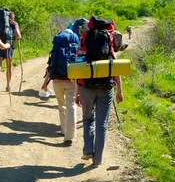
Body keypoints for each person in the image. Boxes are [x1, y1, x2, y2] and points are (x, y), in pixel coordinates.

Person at [75, 17, 124, 167]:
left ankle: (88, 150)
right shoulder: (108, 41)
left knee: (88, 118)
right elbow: (115, 68)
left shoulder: (85, 39)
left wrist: (77, 92)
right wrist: (119, 91)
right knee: (102, 123)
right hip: (106, 87)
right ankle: (98, 159)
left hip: (86, 87)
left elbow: (78, 67)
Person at [41, 24, 80, 145]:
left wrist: (45, 82)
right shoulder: (75, 46)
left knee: (61, 106)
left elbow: (50, 66)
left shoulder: (56, 47)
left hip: (57, 81)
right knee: (71, 107)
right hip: (71, 81)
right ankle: (70, 136)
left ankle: (63, 130)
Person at [0, 11, 21, 94]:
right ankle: (8, 86)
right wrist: (19, 36)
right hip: (8, 46)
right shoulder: (13, 23)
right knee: (9, 66)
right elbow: (17, 35)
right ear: (12, 17)